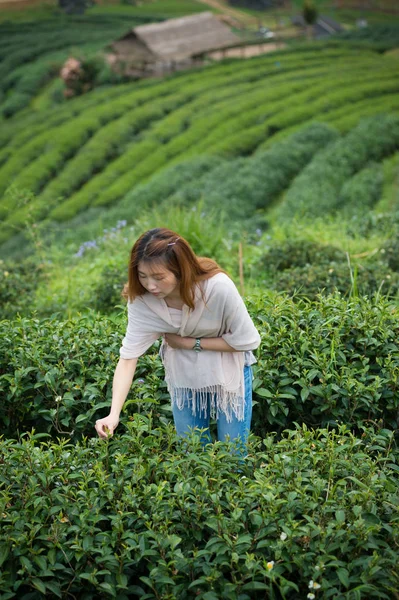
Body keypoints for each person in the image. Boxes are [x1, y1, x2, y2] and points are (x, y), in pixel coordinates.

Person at [95, 228, 261, 454]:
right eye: (142, 276)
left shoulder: (217, 288)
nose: (150, 285)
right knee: (191, 454)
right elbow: (127, 359)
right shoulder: (143, 302)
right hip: (184, 377)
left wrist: (190, 343)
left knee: (233, 454)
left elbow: (248, 340)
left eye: (159, 277)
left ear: (180, 270)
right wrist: (113, 414)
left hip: (229, 375)